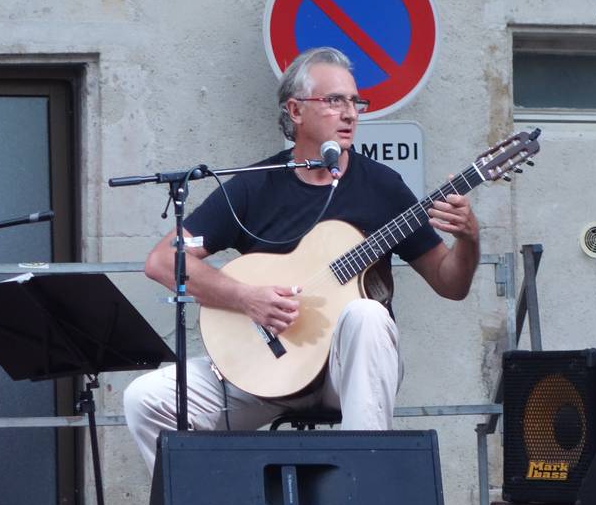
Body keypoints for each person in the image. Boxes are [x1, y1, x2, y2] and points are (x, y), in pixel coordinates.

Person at [124, 47, 480, 473]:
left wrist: (470, 238)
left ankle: (368, 500)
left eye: (355, 101)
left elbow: (450, 283)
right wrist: (245, 298)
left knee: (366, 315)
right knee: (145, 398)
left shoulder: (382, 187)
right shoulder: (256, 187)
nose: (350, 113)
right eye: (334, 101)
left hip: (347, 375)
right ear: (295, 110)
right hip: (266, 373)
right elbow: (164, 261)